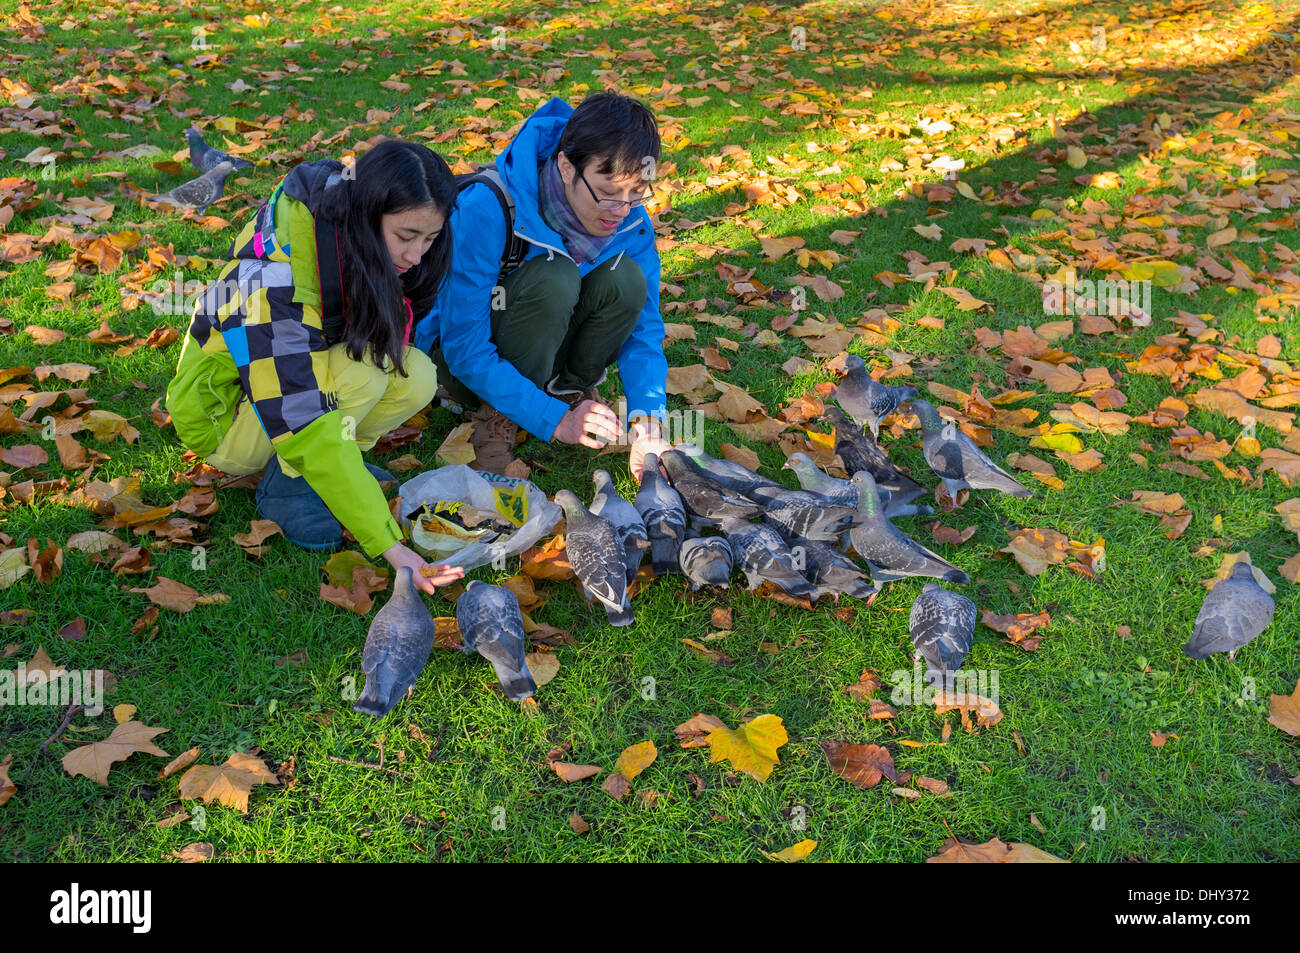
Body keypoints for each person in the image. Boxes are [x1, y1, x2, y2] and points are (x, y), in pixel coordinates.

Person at [165, 139, 464, 594]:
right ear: (367, 213)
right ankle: (291, 485)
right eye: (406, 236)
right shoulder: (275, 280)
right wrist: (388, 544)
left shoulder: (345, 230)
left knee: (416, 374)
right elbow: (300, 412)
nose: (417, 256)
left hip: (290, 387)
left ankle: (339, 474)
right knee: (364, 371)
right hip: (223, 419)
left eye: (431, 238)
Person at [414, 92, 673, 479]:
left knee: (626, 279)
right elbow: (464, 349)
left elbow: (644, 330)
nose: (621, 210)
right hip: (465, 367)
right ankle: (498, 417)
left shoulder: (632, 220)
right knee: (555, 275)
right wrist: (551, 420)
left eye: (636, 194)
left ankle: (568, 392)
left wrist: (648, 420)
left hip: (549, 341)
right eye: (608, 192)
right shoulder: (489, 206)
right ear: (567, 167)